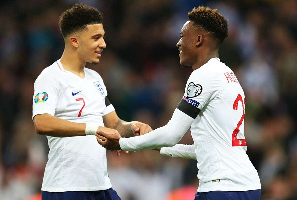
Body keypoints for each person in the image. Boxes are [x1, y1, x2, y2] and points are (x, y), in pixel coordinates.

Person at [97, 6, 261, 200]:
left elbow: (171, 135)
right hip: (245, 185)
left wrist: (123, 143)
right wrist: (155, 146)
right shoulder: (228, 75)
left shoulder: (203, 75)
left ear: (199, 39)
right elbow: (204, 150)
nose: (178, 43)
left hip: (222, 189)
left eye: (183, 36)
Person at [32, 4, 151, 200]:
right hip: (65, 189)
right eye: (96, 38)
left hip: (101, 186)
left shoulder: (95, 79)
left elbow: (114, 124)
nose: (103, 44)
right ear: (74, 41)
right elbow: (41, 122)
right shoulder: (50, 77)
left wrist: (134, 127)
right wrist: (93, 129)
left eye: (102, 36)